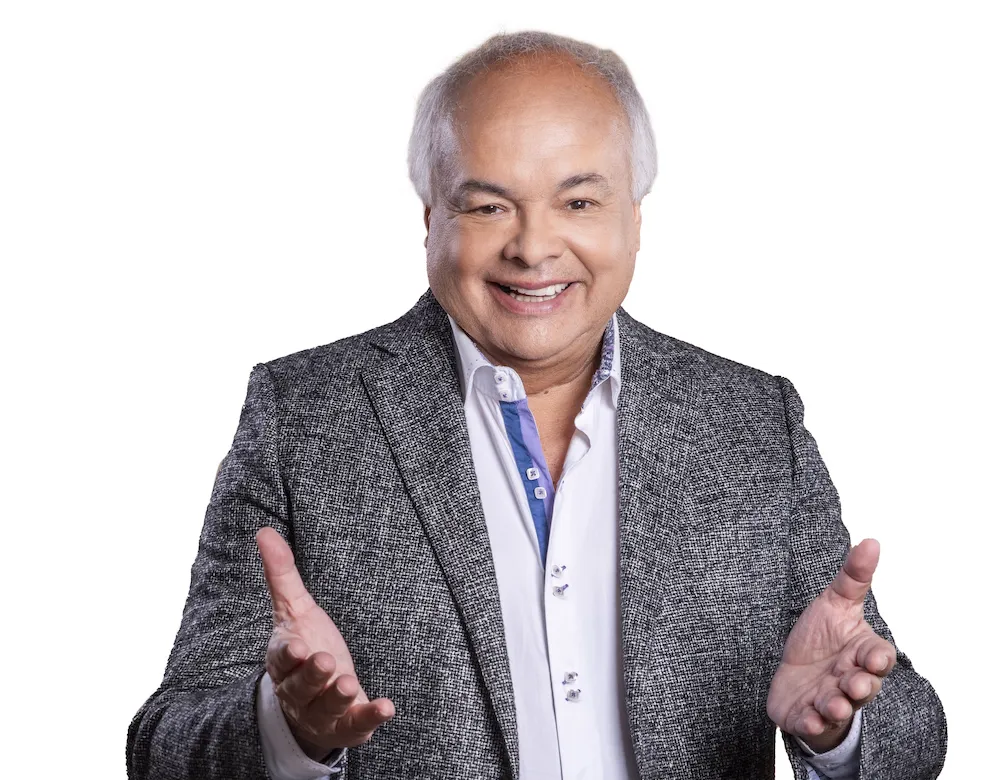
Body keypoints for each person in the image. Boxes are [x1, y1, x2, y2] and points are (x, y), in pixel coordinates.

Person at [126, 30, 946, 780]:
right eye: (488, 206)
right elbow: (165, 743)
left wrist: (842, 729)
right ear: (430, 220)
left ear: (633, 220)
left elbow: (909, 726)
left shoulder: (751, 422)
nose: (533, 246)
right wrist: (286, 730)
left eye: (579, 202)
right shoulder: (304, 416)